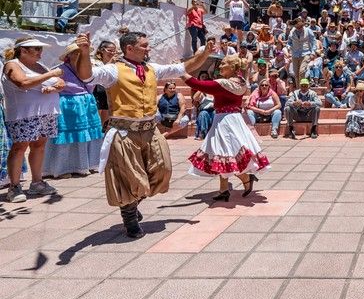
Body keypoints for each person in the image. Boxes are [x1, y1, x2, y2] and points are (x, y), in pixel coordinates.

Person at [74, 31, 213, 238]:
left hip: (150, 130)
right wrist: (84, 52)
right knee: (133, 179)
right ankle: (129, 216)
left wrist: (205, 54)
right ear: (129, 48)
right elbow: (86, 76)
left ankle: (132, 203)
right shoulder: (113, 70)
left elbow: (184, 68)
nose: (149, 48)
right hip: (125, 132)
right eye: (144, 45)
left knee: (162, 170)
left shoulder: (152, 69)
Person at [182, 55, 270, 201]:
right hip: (232, 119)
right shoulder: (241, 82)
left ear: (233, 68)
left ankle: (246, 179)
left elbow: (198, 85)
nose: (220, 66)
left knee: (225, 153)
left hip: (225, 121)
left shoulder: (223, 83)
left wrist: (178, 71)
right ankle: (225, 189)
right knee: (223, 153)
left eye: (223, 64)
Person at [2, 37, 64, 202]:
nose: (40, 52)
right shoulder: (12, 65)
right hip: (24, 114)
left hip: (45, 113)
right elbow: (23, 83)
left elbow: (61, 81)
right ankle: (14, 187)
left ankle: (37, 182)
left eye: (40, 49)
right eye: (36, 49)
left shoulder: (40, 66)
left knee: (39, 145)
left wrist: (55, 86)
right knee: (19, 148)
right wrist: (51, 75)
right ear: (23, 50)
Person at [43, 43, 103, 179]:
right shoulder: (60, 70)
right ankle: (62, 168)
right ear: (67, 56)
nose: (78, 55)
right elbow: (50, 83)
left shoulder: (89, 69)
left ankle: (86, 164)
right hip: (69, 105)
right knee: (67, 136)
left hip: (87, 104)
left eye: (80, 53)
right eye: (74, 53)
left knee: (88, 134)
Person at [92, 40, 116, 125]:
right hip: (97, 91)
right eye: (110, 50)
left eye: (114, 51)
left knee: (106, 120)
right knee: (96, 117)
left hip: (109, 92)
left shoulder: (116, 64)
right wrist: (111, 62)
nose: (112, 53)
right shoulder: (94, 62)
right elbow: (97, 73)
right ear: (102, 50)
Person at [288, 18, 317, 82]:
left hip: (305, 53)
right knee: (296, 75)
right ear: (295, 26)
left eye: (301, 26)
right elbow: (289, 43)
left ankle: (304, 87)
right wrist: (288, 47)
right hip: (295, 54)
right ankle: (299, 90)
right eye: (298, 26)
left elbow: (314, 42)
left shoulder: (308, 31)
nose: (299, 27)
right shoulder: (292, 32)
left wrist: (313, 52)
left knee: (302, 72)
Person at [192, 71, 215, 140]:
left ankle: (215, 134)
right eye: (203, 77)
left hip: (213, 110)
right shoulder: (201, 92)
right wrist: (202, 87)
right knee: (203, 114)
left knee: (215, 113)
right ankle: (202, 133)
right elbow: (195, 98)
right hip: (204, 110)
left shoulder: (214, 92)